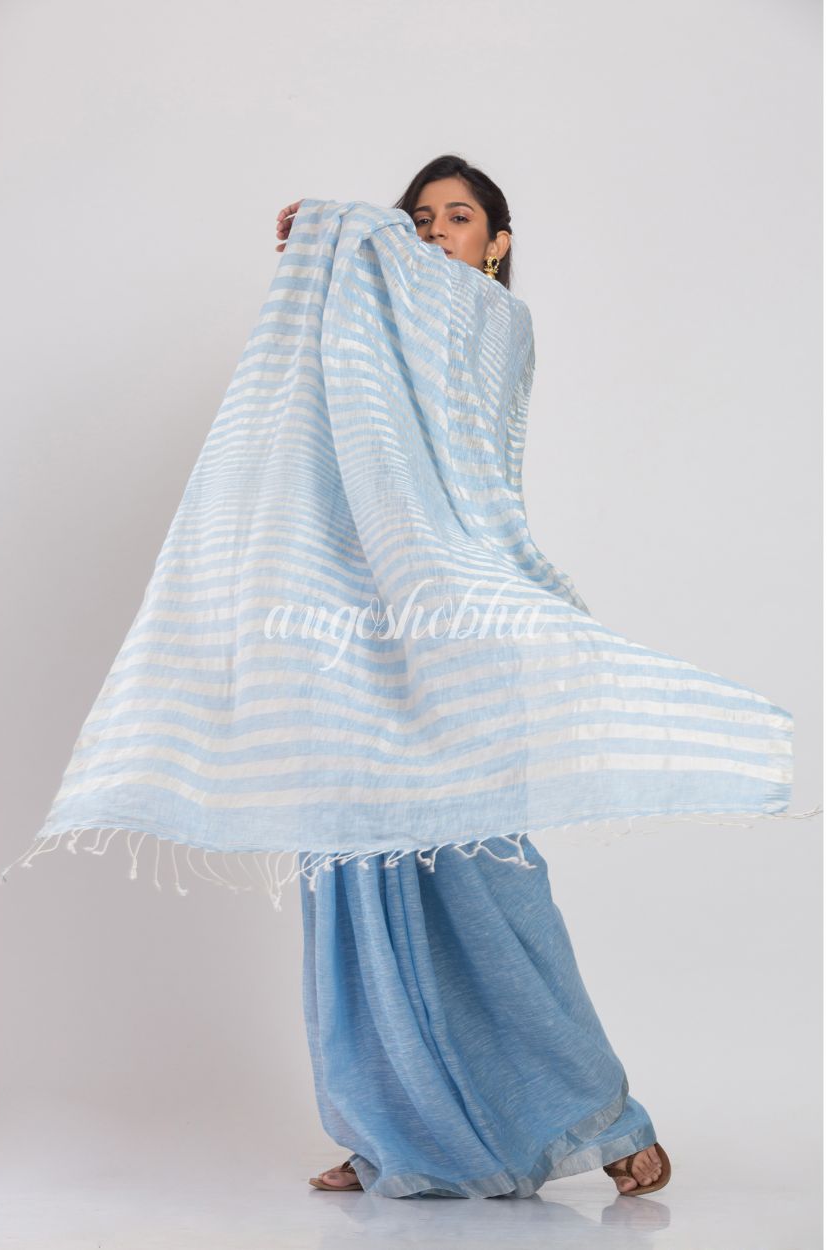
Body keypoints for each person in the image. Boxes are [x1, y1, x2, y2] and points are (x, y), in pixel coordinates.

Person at [272, 155, 670, 1200]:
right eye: (418, 219)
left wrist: (340, 227)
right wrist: (333, 252)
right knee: (352, 880)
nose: (435, 232)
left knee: (487, 882)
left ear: (496, 245)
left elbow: (439, 433)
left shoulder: (494, 325)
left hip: (456, 630)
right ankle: (383, 1136)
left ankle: (605, 1121)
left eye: (458, 218)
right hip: (356, 632)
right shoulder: (371, 336)